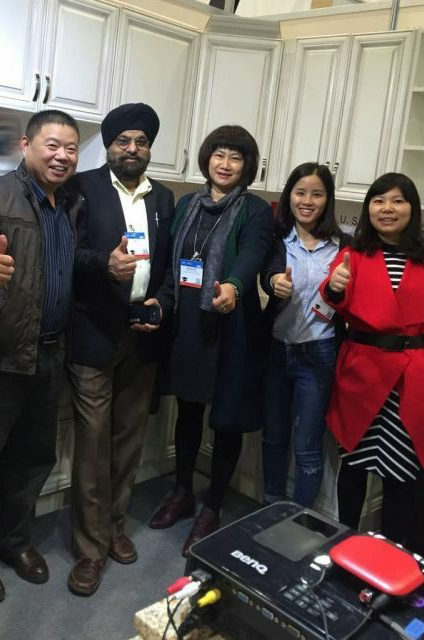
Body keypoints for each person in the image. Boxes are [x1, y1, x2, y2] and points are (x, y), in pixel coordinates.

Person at [0, 109, 82, 604]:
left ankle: (15, 540)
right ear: (27, 145)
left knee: (32, 457)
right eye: (52, 145)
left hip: (50, 353)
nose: (62, 156)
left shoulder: (72, 204)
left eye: (71, 148)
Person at [149, 125, 273, 556]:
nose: (225, 164)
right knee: (187, 410)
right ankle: (183, 492)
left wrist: (234, 286)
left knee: (225, 418)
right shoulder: (187, 204)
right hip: (187, 321)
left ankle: (212, 507)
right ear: (206, 159)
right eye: (219, 154)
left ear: (247, 166)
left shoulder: (255, 210)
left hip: (231, 324)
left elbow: (253, 253)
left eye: (235, 157)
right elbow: (171, 259)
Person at [67, 102, 174, 596]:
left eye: (141, 142)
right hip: (94, 332)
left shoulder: (164, 197)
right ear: (109, 146)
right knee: (93, 443)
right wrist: (103, 266)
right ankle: (90, 549)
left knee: (129, 440)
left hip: (143, 335)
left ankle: (114, 527)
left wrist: (162, 301)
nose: (132, 149)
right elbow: (67, 252)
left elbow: (170, 263)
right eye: (123, 141)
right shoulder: (82, 187)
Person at [320, 172, 424, 543]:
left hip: (412, 379)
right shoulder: (354, 253)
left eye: (397, 201)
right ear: (368, 209)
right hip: (362, 375)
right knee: (354, 466)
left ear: (412, 208)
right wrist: (334, 287)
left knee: (401, 472)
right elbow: (334, 294)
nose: (387, 209)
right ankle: (345, 543)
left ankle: (391, 552)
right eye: (378, 201)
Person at [260, 163, 349, 508]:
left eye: (316, 194)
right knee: (273, 438)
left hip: (319, 353)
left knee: (307, 446)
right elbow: (268, 272)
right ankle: (270, 509)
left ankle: (299, 521)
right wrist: (274, 282)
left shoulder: (344, 246)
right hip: (276, 349)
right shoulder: (277, 239)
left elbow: (348, 298)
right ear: (289, 197)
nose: (307, 201)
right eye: (300, 193)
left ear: (328, 199)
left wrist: (340, 289)